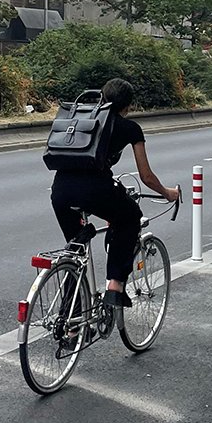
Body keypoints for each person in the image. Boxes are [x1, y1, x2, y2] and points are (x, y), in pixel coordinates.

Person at [50, 77, 179, 308]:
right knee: (130, 217)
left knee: (75, 251)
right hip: (95, 190)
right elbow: (146, 176)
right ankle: (116, 285)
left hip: (60, 190)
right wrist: (168, 193)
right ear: (128, 106)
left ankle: (70, 323)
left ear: (103, 96)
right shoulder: (129, 128)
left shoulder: (82, 118)